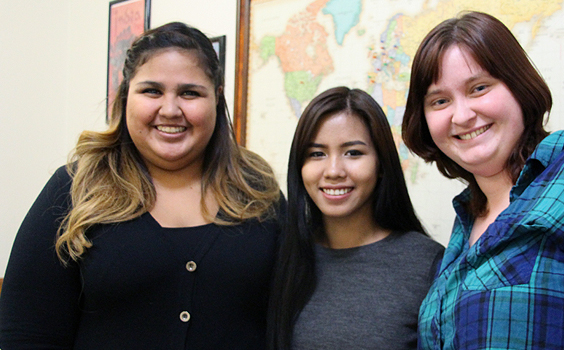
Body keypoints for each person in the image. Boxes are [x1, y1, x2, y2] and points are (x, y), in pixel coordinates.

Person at [0, 22, 283, 349]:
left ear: (217, 99)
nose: (170, 109)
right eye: (152, 90)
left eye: (190, 93)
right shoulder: (75, 189)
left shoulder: (258, 192)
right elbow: (25, 333)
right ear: (126, 95)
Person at [402, 11, 564, 349]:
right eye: (440, 101)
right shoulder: (466, 222)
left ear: (519, 85)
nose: (461, 116)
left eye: (479, 88)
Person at [268, 86, 445, 350]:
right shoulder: (282, 256)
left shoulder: (428, 263)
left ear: (381, 165)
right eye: (317, 154)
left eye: (353, 153)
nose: (334, 171)